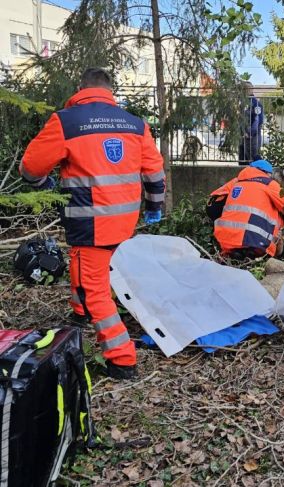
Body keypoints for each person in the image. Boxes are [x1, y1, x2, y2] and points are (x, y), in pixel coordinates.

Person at [20, 67, 165, 380]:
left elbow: (30, 166)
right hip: (124, 221)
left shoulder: (67, 121)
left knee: (94, 288)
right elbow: (154, 173)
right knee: (83, 263)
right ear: (110, 91)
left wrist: (40, 181)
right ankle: (81, 311)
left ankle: (121, 358)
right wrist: (155, 207)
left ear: (80, 88)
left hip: (90, 221)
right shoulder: (135, 124)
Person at [209, 159, 284, 258]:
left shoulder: (237, 182)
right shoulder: (269, 183)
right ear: (268, 173)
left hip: (225, 243)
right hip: (256, 245)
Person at [238, 82, 264, 164]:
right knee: (243, 161)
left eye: (245, 89)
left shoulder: (255, 104)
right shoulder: (243, 103)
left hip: (253, 138)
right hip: (244, 137)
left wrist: (249, 133)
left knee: (252, 161)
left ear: (250, 90)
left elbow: (258, 121)